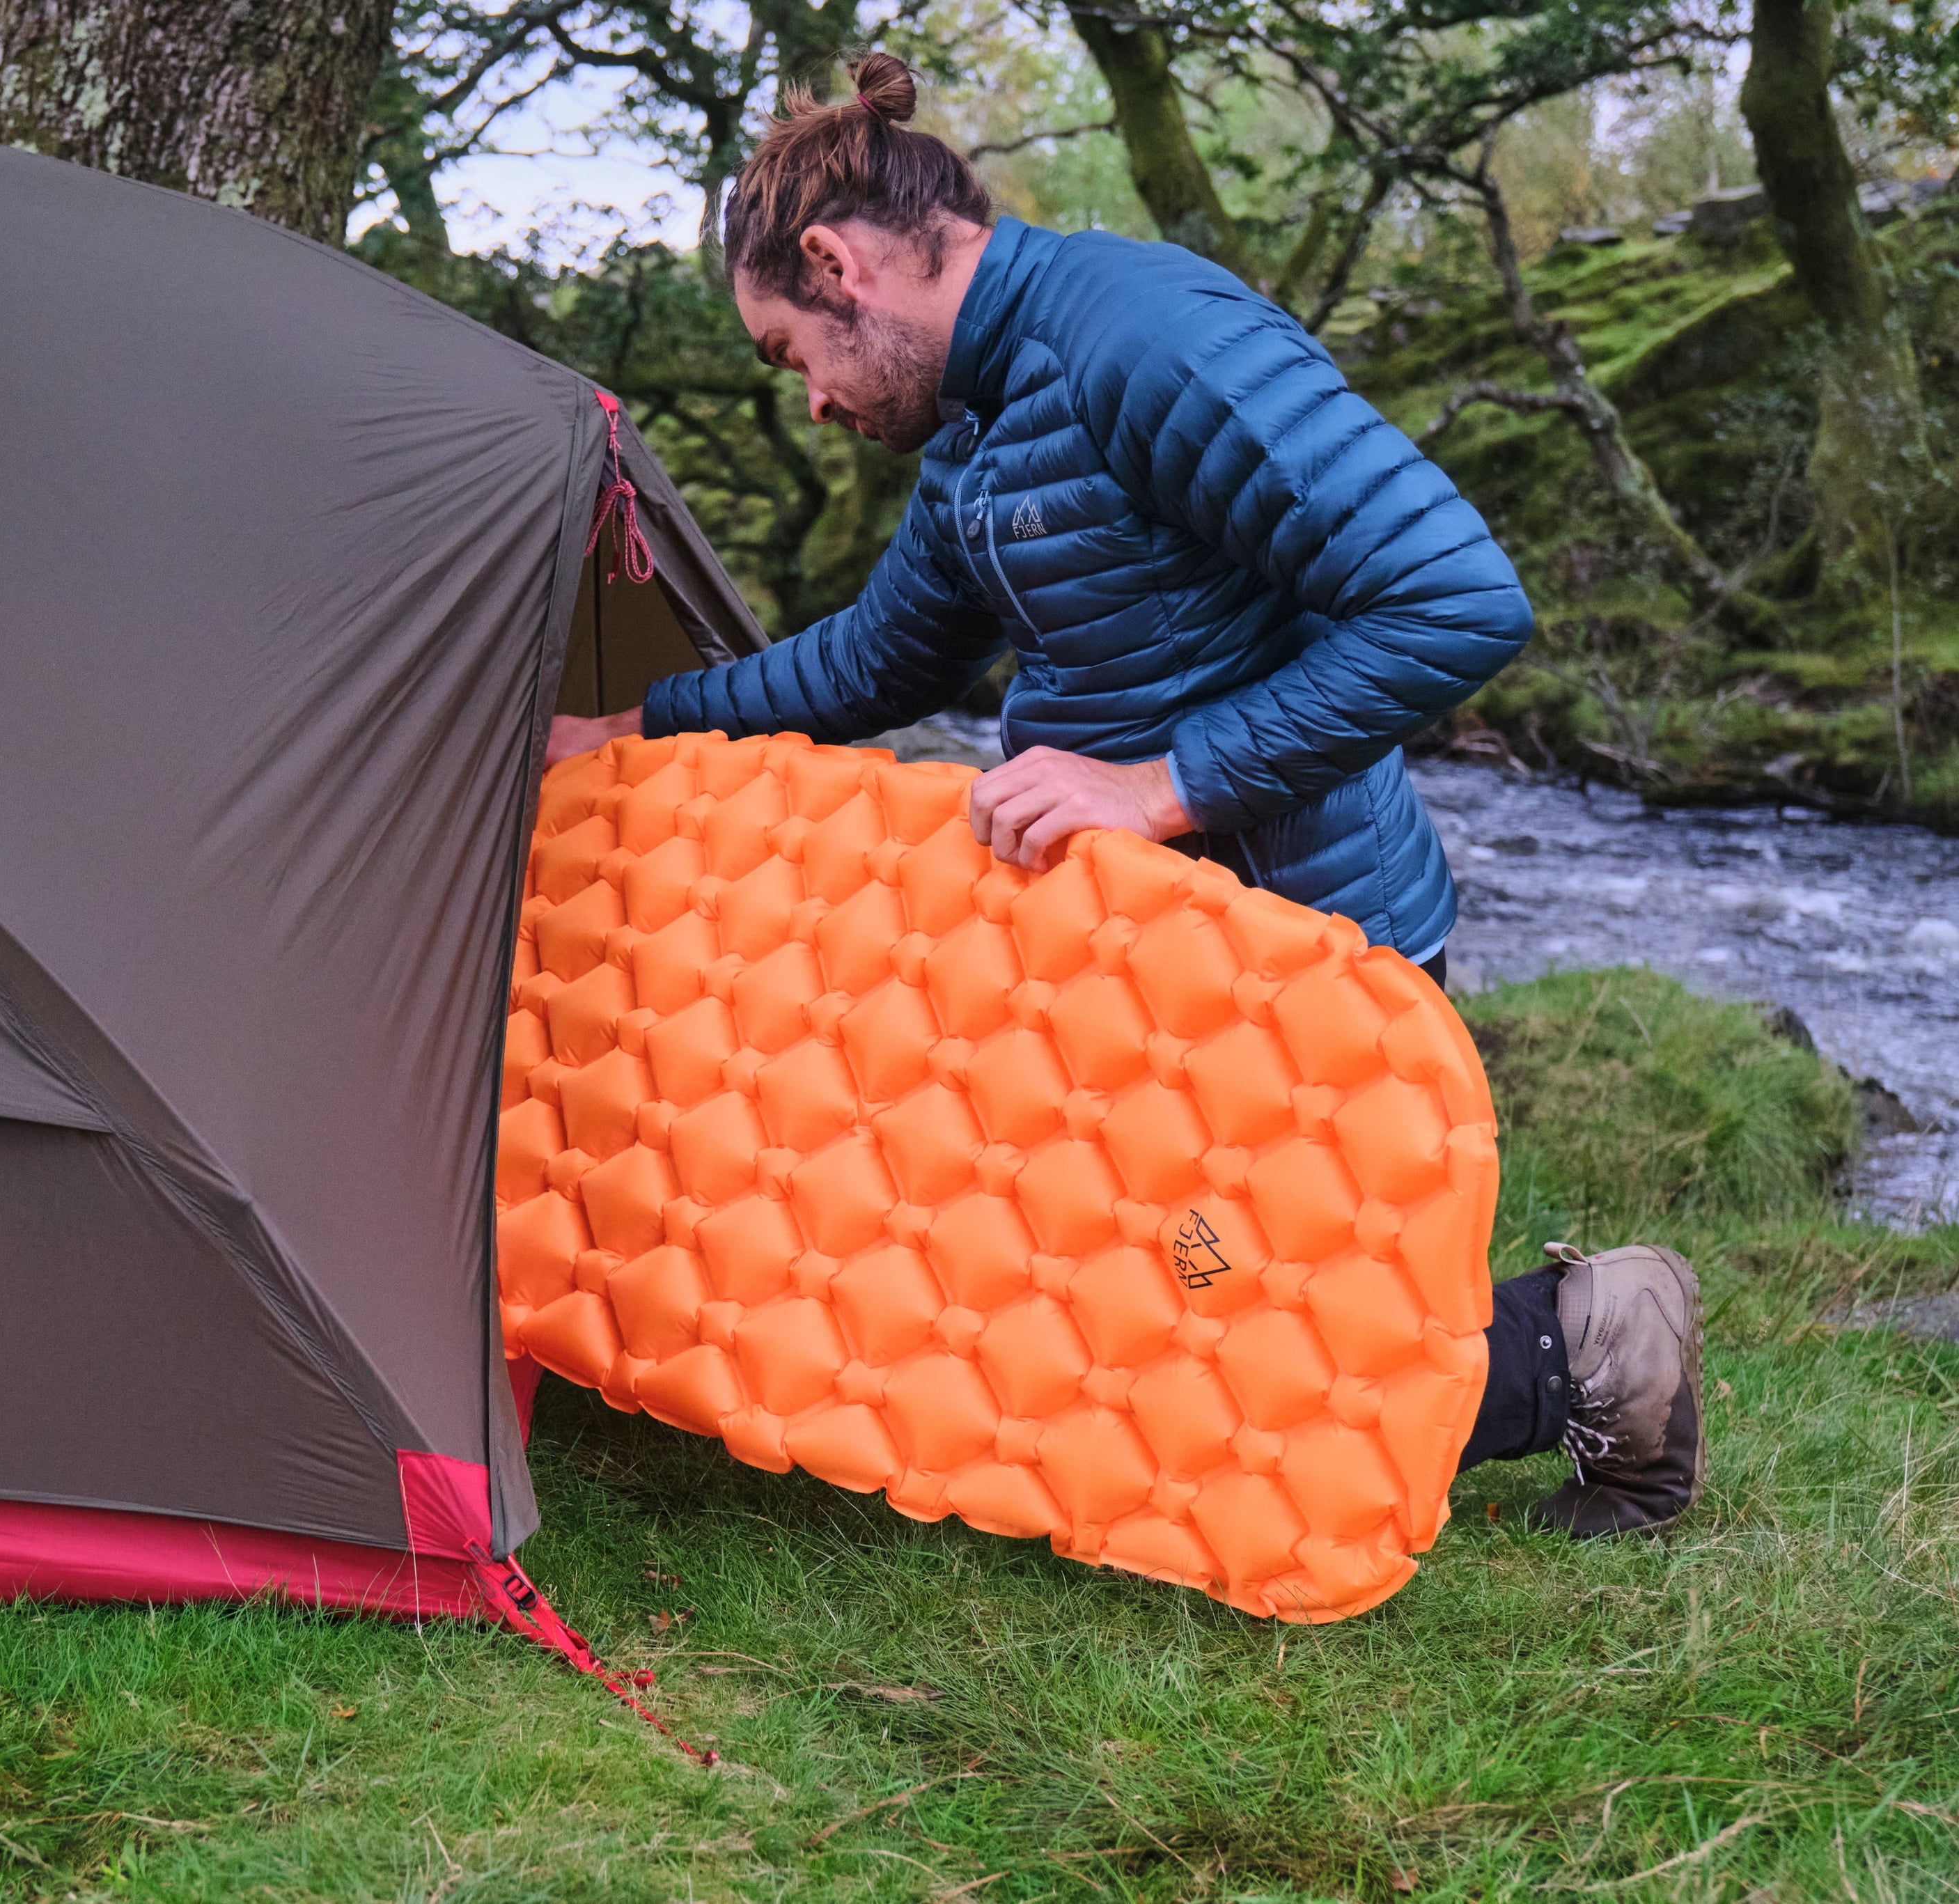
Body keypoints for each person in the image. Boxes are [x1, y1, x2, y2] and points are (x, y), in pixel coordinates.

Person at [545, 53, 1702, 1536]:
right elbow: (882, 657)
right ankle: (1559, 1345)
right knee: (1118, 1317)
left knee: (1223, 1358)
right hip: (1148, 948)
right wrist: (630, 727)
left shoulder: (1146, 337)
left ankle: (1599, 1343)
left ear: (836, 266)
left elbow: (1455, 598)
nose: (816, 402)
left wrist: (1161, 786)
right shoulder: (984, 418)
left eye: (794, 357)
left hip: (1300, 939)